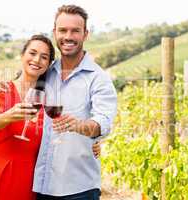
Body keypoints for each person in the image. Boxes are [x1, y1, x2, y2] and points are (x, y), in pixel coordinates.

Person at [0, 34, 101, 200]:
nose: (37, 60)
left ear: (48, 65)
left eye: (44, 57)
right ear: (22, 55)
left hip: (28, 177)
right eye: (32, 53)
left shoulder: (49, 100)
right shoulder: (3, 88)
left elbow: (63, 129)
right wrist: (9, 115)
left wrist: (93, 142)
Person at [33, 5, 117, 200]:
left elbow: (101, 123)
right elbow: (26, 99)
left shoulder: (98, 78)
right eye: (63, 30)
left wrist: (80, 126)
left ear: (85, 34)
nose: (68, 36)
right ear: (55, 32)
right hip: (42, 184)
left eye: (75, 31)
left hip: (78, 189)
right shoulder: (45, 73)